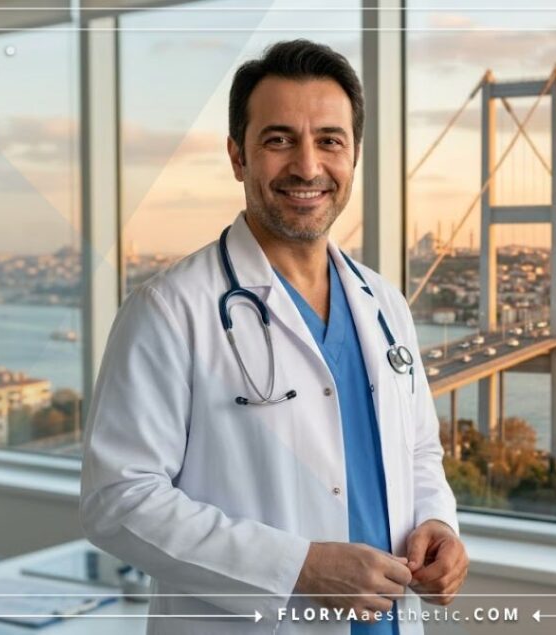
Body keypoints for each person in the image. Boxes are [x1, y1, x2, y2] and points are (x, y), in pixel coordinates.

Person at [80, 39, 467, 635]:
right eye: (279, 140)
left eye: (330, 141)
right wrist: (298, 568)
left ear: (354, 155)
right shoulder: (170, 310)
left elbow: (417, 451)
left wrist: (438, 524)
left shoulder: (385, 304)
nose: (308, 167)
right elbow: (117, 501)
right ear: (238, 156)